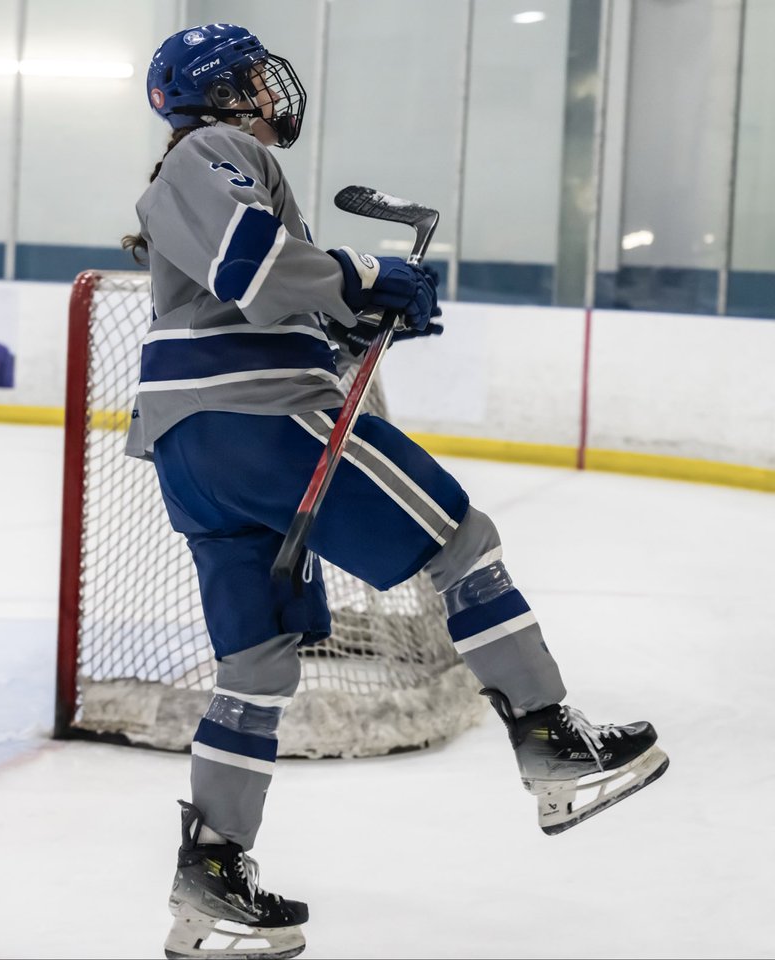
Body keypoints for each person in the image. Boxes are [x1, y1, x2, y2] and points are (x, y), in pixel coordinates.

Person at [122, 25, 669, 960]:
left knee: (257, 669)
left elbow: (253, 302)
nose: (268, 89)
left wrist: (356, 317)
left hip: (194, 451)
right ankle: (552, 743)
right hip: (258, 421)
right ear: (220, 89)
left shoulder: (192, 174)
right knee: (462, 540)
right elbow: (258, 276)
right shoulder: (216, 150)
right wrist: (367, 275)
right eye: (254, 75)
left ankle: (210, 881)